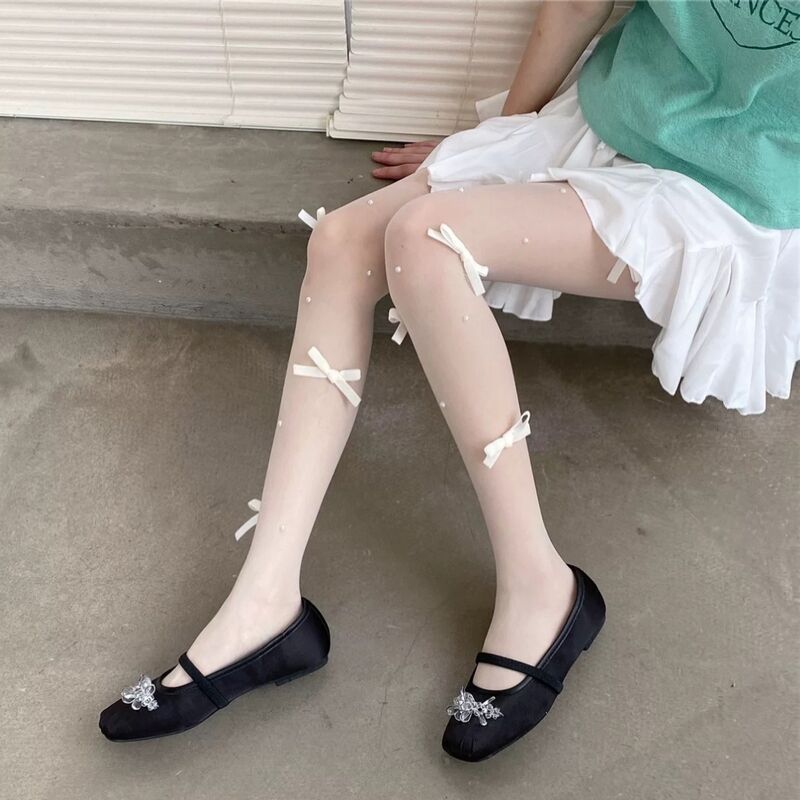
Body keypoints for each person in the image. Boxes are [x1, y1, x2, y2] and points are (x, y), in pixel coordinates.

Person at [99, 0, 799, 761]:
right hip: (612, 118)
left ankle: (541, 587)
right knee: (341, 242)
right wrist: (497, 142)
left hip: (733, 187)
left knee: (426, 236)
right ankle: (265, 601)